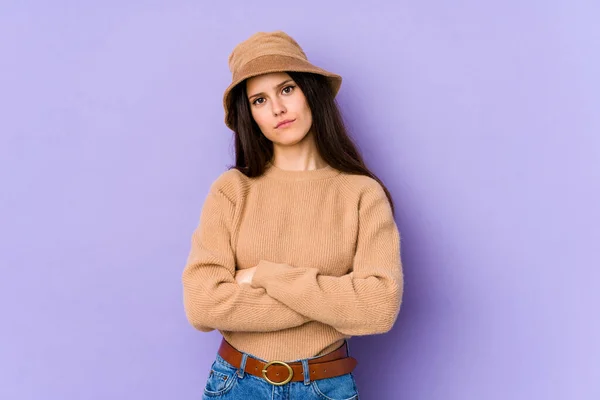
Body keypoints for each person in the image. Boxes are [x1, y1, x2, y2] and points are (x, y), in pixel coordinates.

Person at [182, 30, 403, 399]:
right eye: (259, 100)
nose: (277, 109)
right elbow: (203, 304)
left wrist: (264, 275)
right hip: (235, 384)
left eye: (287, 89)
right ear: (249, 114)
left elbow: (378, 307)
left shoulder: (361, 194)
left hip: (324, 387)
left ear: (310, 92)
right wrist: (333, 302)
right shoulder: (232, 190)